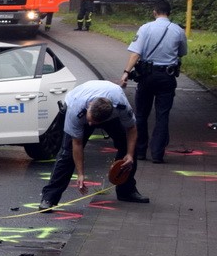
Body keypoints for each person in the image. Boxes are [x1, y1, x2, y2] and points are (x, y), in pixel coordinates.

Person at [39, 80, 148, 211]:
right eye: (90, 120)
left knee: (128, 146)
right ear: (89, 106)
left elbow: (131, 128)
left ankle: (126, 191)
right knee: (67, 154)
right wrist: (80, 174)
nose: (91, 125)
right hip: (78, 107)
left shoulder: (120, 105)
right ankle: (49, 198)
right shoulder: (75, 110)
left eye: (95, 122)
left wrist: (129, 154)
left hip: (107, 107)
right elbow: (77, 144)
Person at [120, 0, 188, 164]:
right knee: (162, 115)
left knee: (141, 114)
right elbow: (182, 52)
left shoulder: (145, 28)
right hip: (167, 77)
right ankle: (158, 154)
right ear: (169, 13)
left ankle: (140, 151)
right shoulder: (178, 30)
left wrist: (126, 73)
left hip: (147, 77)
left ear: (154, 12)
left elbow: (135, 53)